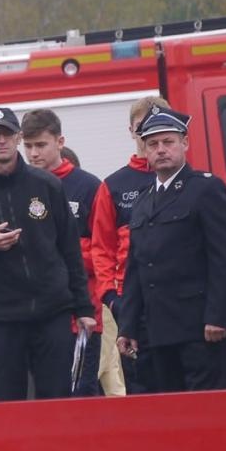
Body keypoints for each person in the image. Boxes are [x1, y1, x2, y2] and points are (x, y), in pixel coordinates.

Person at [0, 106, 95, 402]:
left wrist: (84, 309)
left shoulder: (46, 185)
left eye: (8, 134)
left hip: (51, 312)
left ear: (18, 137)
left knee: (57, 400)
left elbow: (70, 250)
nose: (2, 141)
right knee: (3, 403)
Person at [115, 108, 226, 393]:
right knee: (171, 411)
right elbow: (136, 268)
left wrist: (217, 316)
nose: (161, 150)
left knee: (207, 410)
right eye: (153, 144)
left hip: (200, 328)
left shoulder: (206, 189)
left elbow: (225, 259)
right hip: (158, 331)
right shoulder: (144, 200)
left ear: (184, 143)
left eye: (168, 142)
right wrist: (128, 326)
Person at [21, 109, 106, 397]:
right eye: (28, 146)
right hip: (34, 317)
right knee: (43, 400)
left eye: (41, 145)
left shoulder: (88, 186)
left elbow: (103, 251)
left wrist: (56, 255)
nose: (34, 153)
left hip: (80, 316)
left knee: (81, 395)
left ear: (60, 142)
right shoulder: (19, 186)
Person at [90, 95, 167, 395]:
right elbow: (101, 248)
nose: (149, 134)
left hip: (176, 301)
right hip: (130, 303)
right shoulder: (114, 185)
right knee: (137, 387)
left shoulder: (190, 181)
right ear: (132, 131)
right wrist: (111, 297)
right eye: (142, 126)